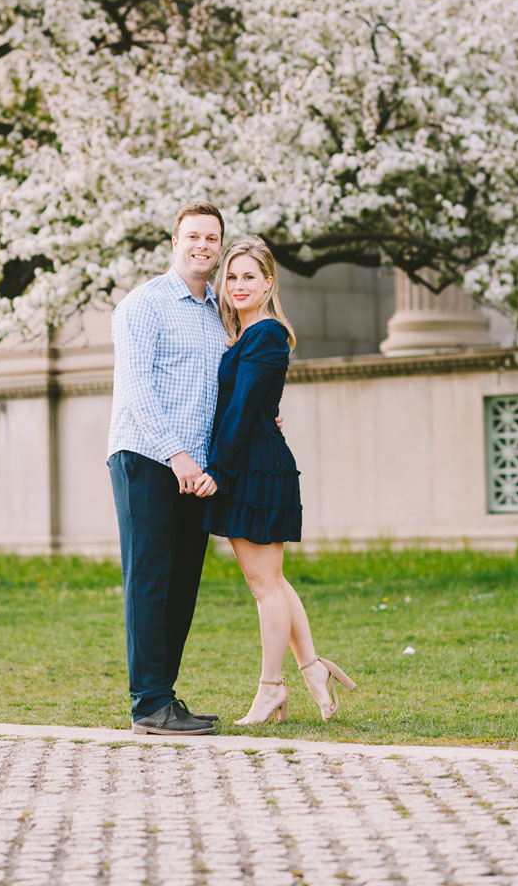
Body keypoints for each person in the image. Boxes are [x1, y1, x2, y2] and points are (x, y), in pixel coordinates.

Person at [196, 236, 357, 726]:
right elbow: (251, 403)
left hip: (255, 468)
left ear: (269, 282)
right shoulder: (247, 334)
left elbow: (243, 411)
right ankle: (311, 668)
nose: (238, 284)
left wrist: (216, 473)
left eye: (249, 276)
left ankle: (271, 689)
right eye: (232, 276)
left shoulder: (265, 333)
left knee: (263, 585)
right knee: (270, 581)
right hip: (253, 460)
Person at [107, 201, 228, 735]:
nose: (203, 245)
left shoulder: (218, 314)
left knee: (183, 584)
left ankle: (164, 698)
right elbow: (136, 389)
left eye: (212, 238)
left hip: (196, 470)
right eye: (193, 237)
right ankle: (147, 704)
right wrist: (175, 455)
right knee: (150, 580)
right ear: (174, 243)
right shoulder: (144, 305)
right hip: (147, 457)